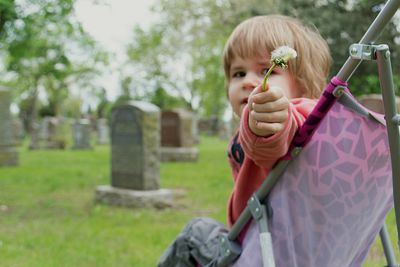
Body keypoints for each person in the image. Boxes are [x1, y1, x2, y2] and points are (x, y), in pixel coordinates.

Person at [223, 15, 332, 227]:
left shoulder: (301, 119)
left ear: (303, 84)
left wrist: (264, 126)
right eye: (238, 73)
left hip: (264, 240)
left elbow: (276, 139)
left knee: (194, 233)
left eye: (266, 70)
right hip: (252, 234)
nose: (247, 82)